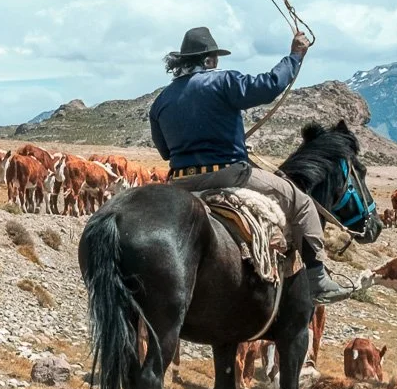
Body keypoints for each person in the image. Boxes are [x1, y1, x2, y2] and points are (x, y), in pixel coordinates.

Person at [149, 26, 349, 303]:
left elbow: (164, 151)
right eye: (215, 57)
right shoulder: (224, 81)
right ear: (208, 59)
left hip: (180, 181)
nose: (217, 62)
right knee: (302, 203)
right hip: (227, 175)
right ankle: (317, 279)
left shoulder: (161, 99)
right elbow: (269, 86)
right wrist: (295, 56)